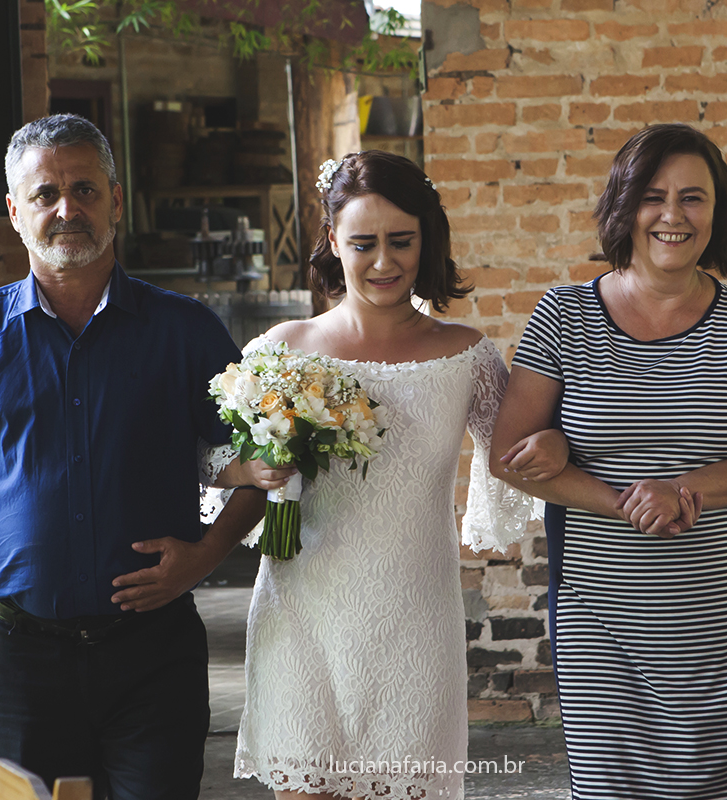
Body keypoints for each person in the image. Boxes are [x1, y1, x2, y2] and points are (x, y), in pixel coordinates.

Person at [0, 113, 266, 799]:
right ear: (14, 211)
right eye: (45, 194)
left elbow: (258, 465)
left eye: (86, 190)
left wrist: (205, 558)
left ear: (116, 201)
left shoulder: (186, 332)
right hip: (19, 659)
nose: (68, 209)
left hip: (156, 656)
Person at [490, 123, 727, 800]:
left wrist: (685, 488)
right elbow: (507, 458)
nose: (672, 214)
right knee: (612, 787)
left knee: (716, 785)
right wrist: (626, 501)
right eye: (653, 196)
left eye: (693, 198)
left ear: (717, 214)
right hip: (599, 615)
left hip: (715, 611)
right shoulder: (564, 314)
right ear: (624, 207)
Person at [228, 150, 537, 800]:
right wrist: (254, 468)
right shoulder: (281, 349)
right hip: (300, 615)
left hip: (414, 624)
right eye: (364, 243)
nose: (385, 261)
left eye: (402, 241)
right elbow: (214, 467)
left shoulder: (466, 355)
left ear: (427, 239)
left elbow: (521, 459)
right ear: (333, 241)